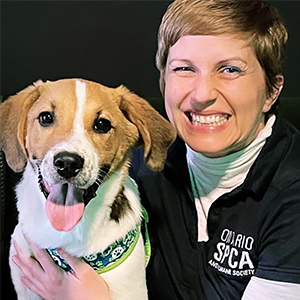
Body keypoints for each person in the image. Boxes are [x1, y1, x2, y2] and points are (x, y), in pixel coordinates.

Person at [12, 0, 300, 299]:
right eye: (184, 68)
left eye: (229, 69)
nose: (202, 94)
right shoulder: (141, 159)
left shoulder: (291, 196)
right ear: (163, 82)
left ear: (271, 91)